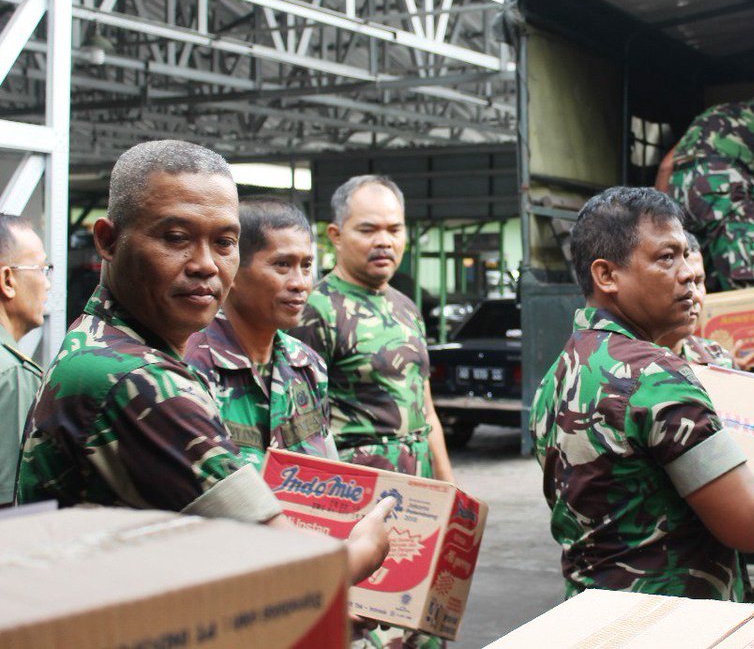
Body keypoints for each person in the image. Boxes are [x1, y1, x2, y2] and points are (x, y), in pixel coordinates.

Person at [17, 140, 390, 582]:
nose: (206, 265)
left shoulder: (99, 340)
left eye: (224, 242)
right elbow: (295, 567)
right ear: (109, 241)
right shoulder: (138, 380)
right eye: (176, 238)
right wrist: (366, 548)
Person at [531, 186, 754, 601]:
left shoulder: (557, 376)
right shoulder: (655, 376)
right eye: (666, 258)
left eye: (686, 256)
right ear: (607, 276)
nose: (688, 273)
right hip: (674, 619)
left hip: (593, 615)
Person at [291, 175, 453, 482]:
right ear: (336, 235)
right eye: (368, 230)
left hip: (418, 489)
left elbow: (426, 410)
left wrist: (450, 488)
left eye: (394, 230)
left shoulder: (406, 308)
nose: (384, 242)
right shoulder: (315, 311)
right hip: (355, 489)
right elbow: (299, 425)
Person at [186, 196, 335, 469]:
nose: (300, 283)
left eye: (305, 266)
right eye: (282, 265)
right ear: (232, 270)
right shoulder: (190, 368)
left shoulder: (308, 366)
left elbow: (328, 470)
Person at [658, 72, 754, 291]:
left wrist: (664, 223)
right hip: (721, 190)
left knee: (695, 284)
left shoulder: (714, 112)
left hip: (678, 193)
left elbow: (666, 166)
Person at [0, 215, 48, 504]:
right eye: (42, 269)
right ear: (8, 280)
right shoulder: (13, 375)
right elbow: (10, 507)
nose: (47, 284)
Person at [665, 233, 736, 368]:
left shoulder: (719, 360)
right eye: (683, 283)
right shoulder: (626, 367)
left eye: (698, 283)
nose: (696, 296)